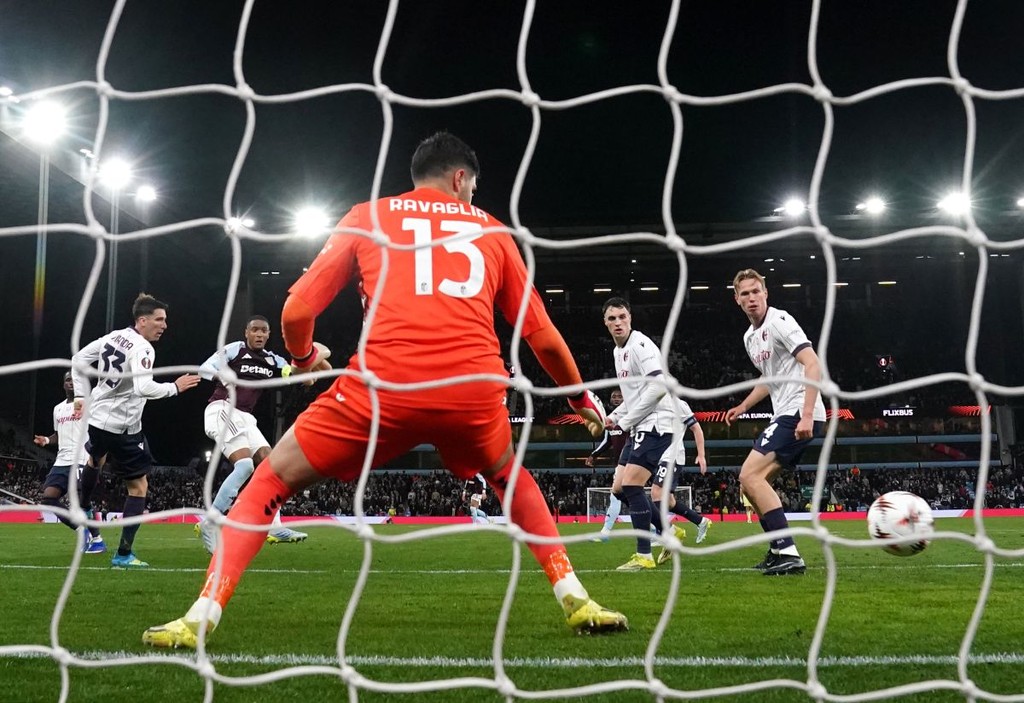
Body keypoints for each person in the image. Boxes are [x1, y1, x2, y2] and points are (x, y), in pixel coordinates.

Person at [142, 131, 626, 649]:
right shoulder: (491, 229)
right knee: (510, 477)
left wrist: (304, 360)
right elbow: (542, 336)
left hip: (381, 388)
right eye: (473, 186)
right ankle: (575, 595)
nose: (473, 195)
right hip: (472, 388)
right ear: (461, 178)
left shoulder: (366, 216)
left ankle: (201, 613)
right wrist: (580, 399)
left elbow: (296, 312)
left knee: (271, 479)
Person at [71, 293, 201, 569]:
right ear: (142, 321)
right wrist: (175, 387)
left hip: (97, 419)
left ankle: (83, 505)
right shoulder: (143, 348)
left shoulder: (113, 336)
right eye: (159, 320)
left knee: (96, 458)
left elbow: (78, 359)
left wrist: (81, 396)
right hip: (123, 427)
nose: (164, 325)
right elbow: (144, 388)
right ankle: (123, 554)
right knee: (139, 487)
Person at [725, 269, 826, 576]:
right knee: (753, 484)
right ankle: (777, 550)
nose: (752, 298)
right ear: (737, 300)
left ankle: (789, 552)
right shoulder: (749, 337)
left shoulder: (780, 321)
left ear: (766, 293)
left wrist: (806, 413)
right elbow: (769, 379)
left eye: (756, 291)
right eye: (745, 294)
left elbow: (813, 363)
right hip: (785, 412)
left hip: (798, 411)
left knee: (749, 475)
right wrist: (744, 405)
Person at [195, 315, 309, 553]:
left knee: (271, 466)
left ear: (268, 335)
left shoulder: (272, 359)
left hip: (246, 417)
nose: (259, 334)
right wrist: (221, 376)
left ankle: (274, 527)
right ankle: (210, 522)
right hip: (222, 408)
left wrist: (306, 374)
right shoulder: (235, 350)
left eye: (263, 331)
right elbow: (204, 368)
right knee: (245, 466)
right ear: (246, 332)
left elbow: (292, 373)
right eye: (254, 330)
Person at [601, 297, 684, 572]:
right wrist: (614, 417)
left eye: (622, 317)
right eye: (612, 318)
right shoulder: (618, 352)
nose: (618, 323)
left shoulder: (640, 345)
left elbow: (658, 386)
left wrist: (625, 422)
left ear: (630, 318)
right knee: (618, 489)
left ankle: (644, 554)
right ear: (605, 323)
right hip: (641, 424)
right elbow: (634, 396)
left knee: (631, 486)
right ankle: (668, 533)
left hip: (658, 423)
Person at [32, 372, 105, 553]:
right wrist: (46, 440)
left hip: (81, 459)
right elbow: (57, 434)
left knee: (82, 502)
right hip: (62, 460)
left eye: (74, 379)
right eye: (67, 380)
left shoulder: (84, 404)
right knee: (48, 498)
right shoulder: (58, 409)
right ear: (63, 384)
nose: (71, 382)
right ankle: (81, 530)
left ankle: (97, 539)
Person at [650, 397, 713, 562]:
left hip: (672, 457)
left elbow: (696, 429)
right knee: (669, 501)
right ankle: (700, 521)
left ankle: (662, 534)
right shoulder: (653, 401)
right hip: (662, 457)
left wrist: (701, 455)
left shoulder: (679, 404)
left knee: (656, 493)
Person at [585, 390, 626, 541]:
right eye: (614, 397)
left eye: (619, 397)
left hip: (632, 462)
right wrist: (594, 455)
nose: (616, 399)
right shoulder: (610, 419)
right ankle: (660, 530)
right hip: (620, 465)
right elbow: (607, 441)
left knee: (618, 496)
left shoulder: (631, 416)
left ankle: (605, 532)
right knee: (625, 497)